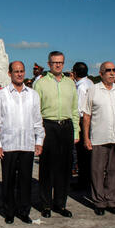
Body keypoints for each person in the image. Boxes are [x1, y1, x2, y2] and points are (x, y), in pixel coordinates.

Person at [0, 61, 45, 224]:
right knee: (8, 181)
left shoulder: (33, 95)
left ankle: (24, 211)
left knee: (25, 181)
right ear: (9, 74)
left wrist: (39, 140)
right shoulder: (1, 95)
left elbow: (37, 120)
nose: (19, 74)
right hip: (9, 145)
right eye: (16, 71)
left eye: (22, 71)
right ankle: (9, 212)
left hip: (27, 145)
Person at [33, 51, 79, 218]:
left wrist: (76, 131)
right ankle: (45, 205)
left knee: (65, 168)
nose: (58, 65)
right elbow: (36, 111)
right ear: (49, 63)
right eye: (54, 62)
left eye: (60, 62)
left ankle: (60, 204)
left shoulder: (70, 84)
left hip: (66, 127)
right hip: (48, 126)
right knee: (47, 168)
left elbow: (75, 109)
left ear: (64, 63)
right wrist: (38, 134)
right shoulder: (41, 83)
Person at [82, 61, 115, 216]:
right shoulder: (93, 90)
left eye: (114, 70)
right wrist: (86, 138)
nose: (112, 73)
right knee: (97, 171)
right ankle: (99, 202)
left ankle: (111, 201)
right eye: (108, 70)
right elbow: (87, 116)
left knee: (114, 171)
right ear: (101, 73)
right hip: (99, 138)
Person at [73, 62, 94, 190]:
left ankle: (83, 182)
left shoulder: (80, 87)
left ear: (75, 73)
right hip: (91, 120)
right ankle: (87, 179)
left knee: (82, 154)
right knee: (87, 154)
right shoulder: (90, 83)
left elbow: (79, 108)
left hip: (82, 120)